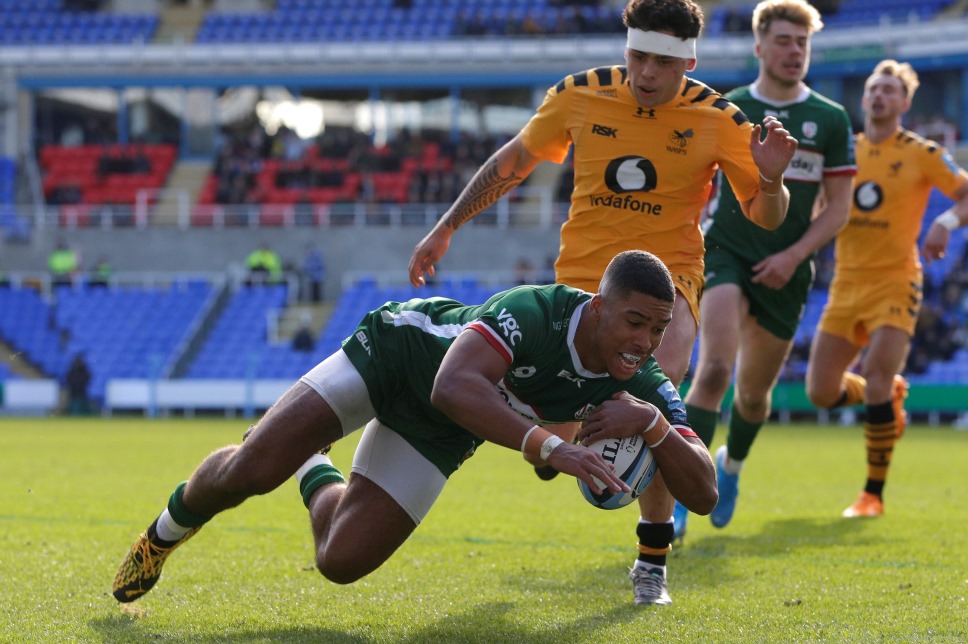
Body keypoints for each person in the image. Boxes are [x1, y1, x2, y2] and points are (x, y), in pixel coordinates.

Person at [408, 0, 797, 605]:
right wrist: (447, 225)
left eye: (663, 62)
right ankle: (554, 440)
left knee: (657, 388)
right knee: (559, 431)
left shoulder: (720, 117)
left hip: (670, 283)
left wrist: (771, 180)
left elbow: (767, 218)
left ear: (689, 61)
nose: (646, 73)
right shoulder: (579, 94)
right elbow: (514, 160)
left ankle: (652, 562)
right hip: (582, 288)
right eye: (638, 56)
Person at [112, 250, 717, 606]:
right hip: (396, 355)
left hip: (443, 427)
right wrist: (550, 447)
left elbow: (704, 493)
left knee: (341, 562)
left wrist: (655, 428)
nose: (644, 343)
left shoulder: (642, 382)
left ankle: (311, 462)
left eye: (658, 330)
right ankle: (162, 535)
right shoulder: (536, 310)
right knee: (250, 472)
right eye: (634, 322)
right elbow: (453, 384)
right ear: (598, 305)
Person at [674, 0, 856, 539]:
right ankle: (684, 492)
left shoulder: (831, 118)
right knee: (712, 371)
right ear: (759, 46)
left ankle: (730, 469)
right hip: (726, 248)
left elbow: (840, 207)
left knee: (753, 396)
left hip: (791, 265)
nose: (794, 51)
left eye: (802, 43)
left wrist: (794, 256)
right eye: (783, 41)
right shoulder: (729, 108)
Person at [805, 59, 968, 517]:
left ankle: (872, 494)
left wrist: (945, 222)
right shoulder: (843, 151)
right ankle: (888, 399)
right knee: (820, 393)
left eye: (889, 90)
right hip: (845, 285)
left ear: (905, 102)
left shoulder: (922, 151)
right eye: (873, 88)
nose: (879, 96)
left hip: (896, 282)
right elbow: (821, 209)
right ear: (863, 98)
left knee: (878, 378)